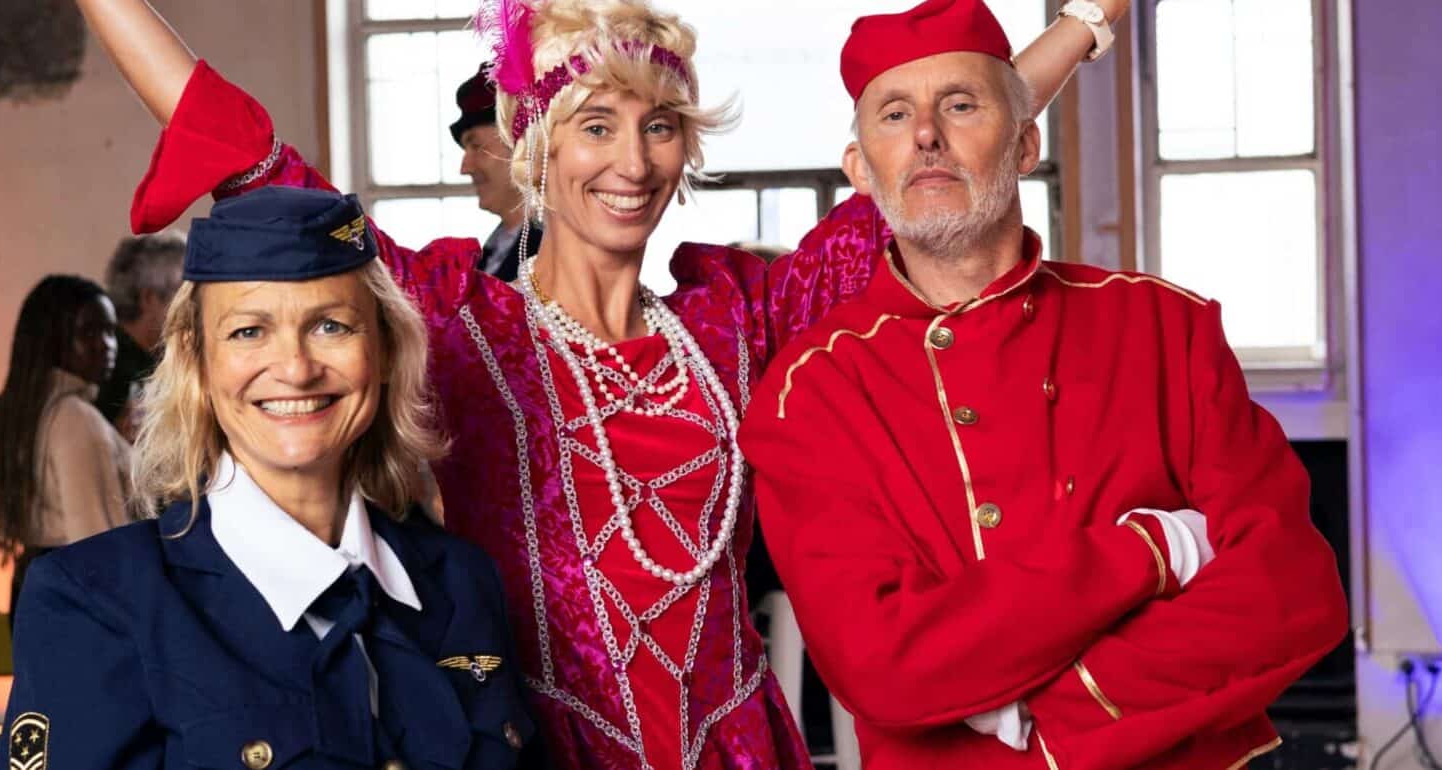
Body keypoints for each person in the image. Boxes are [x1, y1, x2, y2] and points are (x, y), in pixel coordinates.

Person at [76, 0, 1116, 765]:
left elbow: (940, 159)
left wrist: (1085, 22)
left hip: (737, 745)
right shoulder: (460, 319)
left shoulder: (737, 317)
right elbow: (249, 155)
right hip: (535, 743)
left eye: (658, 127)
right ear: (536, 146)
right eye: (596, 126)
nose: (632, 161)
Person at [737, 1, 1350, 768]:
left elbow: (1293, 589)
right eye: (895, 114)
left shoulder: (1164, 325)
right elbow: (883, 666)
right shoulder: (811, 390)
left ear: (1026, 143)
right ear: (862, 169)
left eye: (961, 105)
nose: (926, 134)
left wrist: (1060, 710)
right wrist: (1155, 547)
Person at [0, 186, 534, 770]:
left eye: (331, 326)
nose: (297, 370)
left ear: (384, 350)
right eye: (248, 331)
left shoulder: (462, 582)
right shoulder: (96, 601)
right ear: (197, 363)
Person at [0, 274, 129, 613]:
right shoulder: (74, 418)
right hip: (81, 599)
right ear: (53, 338)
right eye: (89, 332)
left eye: (110, 331)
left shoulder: (13, 410)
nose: (107, 345)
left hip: (31, 590)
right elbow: (97, 545)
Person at [453, 64, 542, 282]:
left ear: (521, 146)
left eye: (476, 146)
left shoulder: (555, 248)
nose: (465, 168)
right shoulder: (490, 251)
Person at [97, 231, 186, 437]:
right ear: (149, 298)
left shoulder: (150, 362)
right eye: (183, 293)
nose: (194, 307)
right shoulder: (106, 367)